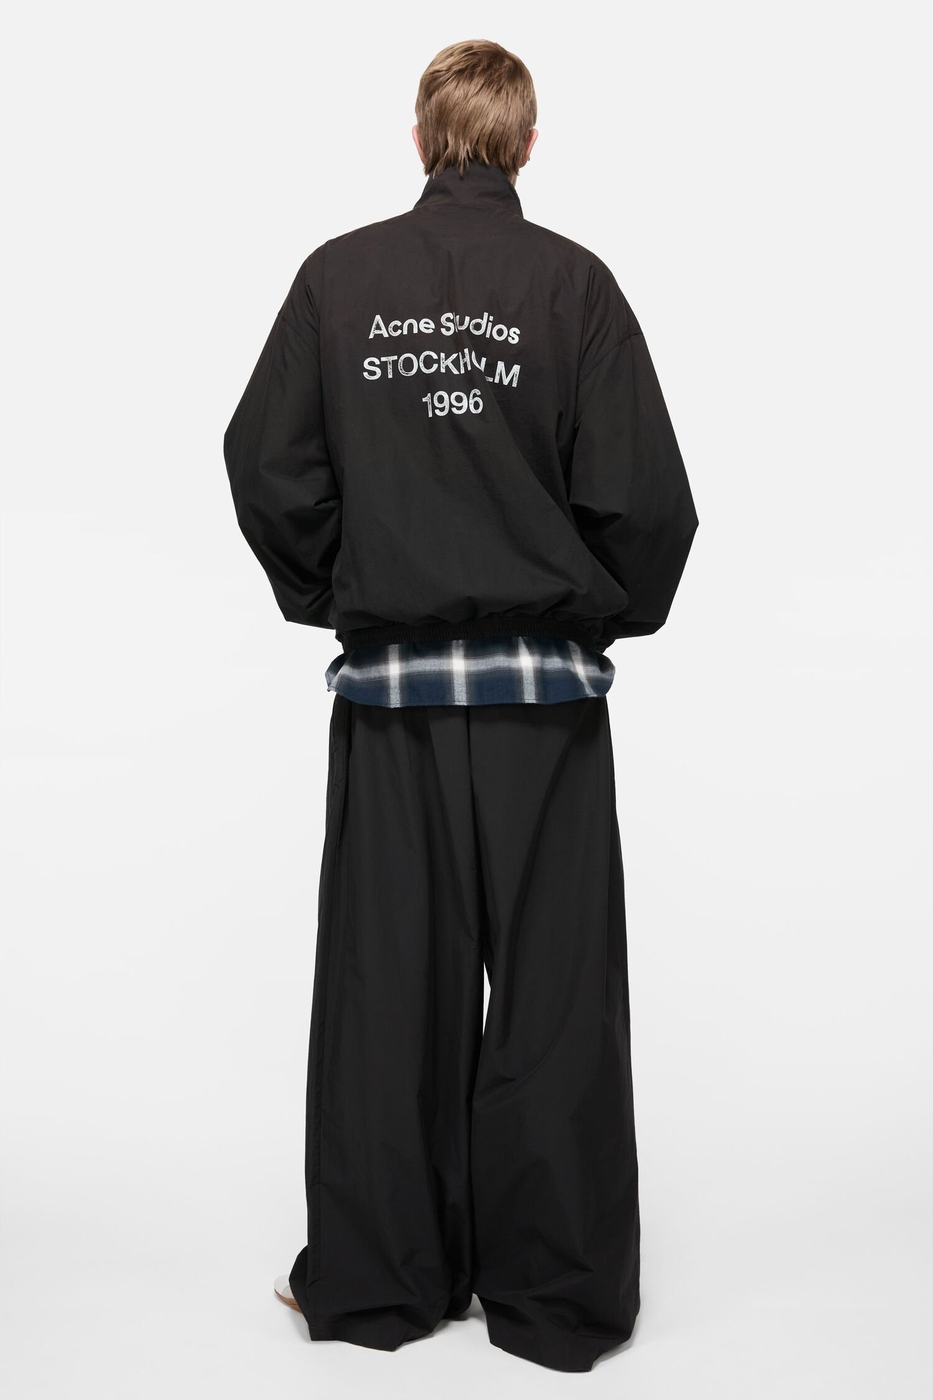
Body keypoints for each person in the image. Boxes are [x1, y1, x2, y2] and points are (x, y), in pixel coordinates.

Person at [222, 38, 699, 1374]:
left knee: (387, 997)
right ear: (527, 143)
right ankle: (556, 1303)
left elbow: (265, 464)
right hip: (545, 708)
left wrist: (353, 589)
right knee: (555, 1000)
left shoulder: (339, 279)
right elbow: (646, 501)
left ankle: (381, 1286)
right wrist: (584, 612)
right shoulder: (572, 285)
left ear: (420, 137)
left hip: (392, 707)